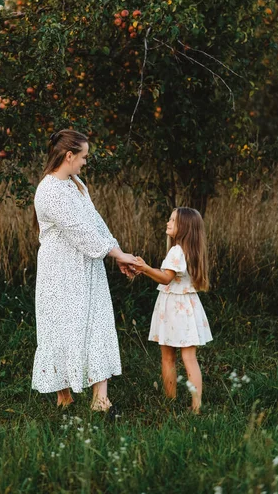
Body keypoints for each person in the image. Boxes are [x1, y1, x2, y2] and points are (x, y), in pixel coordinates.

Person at [31, 129, 137, 411]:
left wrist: (118, 254)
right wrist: (117, 253)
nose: (85, 162)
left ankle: (100, 399)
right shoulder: (49, 191)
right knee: (60, 327)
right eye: (83, 157)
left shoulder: (76, 184)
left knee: (97, 322)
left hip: (87, 266)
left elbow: (94, 223)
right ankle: (63, 397)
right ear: (68, 155)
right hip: (61, 272)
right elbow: (80, 233)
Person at [134, 207, 212, 413]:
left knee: (168, 358)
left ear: (184, 228)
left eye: (172, 220)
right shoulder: (191, 250)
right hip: (188, 307)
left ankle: (170, 402)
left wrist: (145, 269)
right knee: (189, 358)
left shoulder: (176, 251)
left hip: (173, 309)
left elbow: (166, 278)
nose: (167, 223)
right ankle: (196, 406)